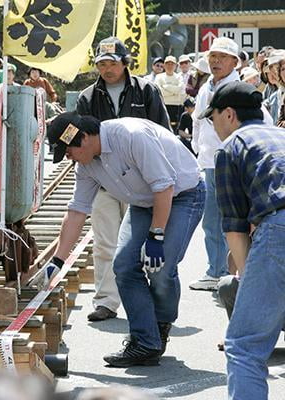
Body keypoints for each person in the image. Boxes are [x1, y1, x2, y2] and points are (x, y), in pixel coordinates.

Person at [43, 112, 203, 367]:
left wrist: (156, 235)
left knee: (160, 266)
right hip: (143, 203)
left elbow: (164, 187)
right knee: (125, 266)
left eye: (69, 151)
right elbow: (77, 211)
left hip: (182, 195)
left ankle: (159, 325)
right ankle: (145, 342)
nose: (69, 158)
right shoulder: (86, 166)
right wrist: (58, 261)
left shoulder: (130, 137)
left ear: (83, 139)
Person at [75, 36, 170, 323]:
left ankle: (147, 301)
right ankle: (106, 300)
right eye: (101, 64)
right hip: (105, 179)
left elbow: (163, 133)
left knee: (141, 244)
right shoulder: (87, 97)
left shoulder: (146, 91)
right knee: (104, 243)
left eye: (112, 63)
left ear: (124, 62)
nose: (107, 69)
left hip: (142, 183)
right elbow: (81, 141)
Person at [206, 80, 285, 400]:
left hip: (279, 226)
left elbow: (235, 229)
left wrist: (249, 279)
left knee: (244, 347)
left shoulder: (232, 146)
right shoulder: (281, 135)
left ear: (228, 114)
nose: (213, 127)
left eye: (212, 119)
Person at [189, 37, 241, 291]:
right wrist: (197, 147)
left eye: (222, 57)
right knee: (211, 219)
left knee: (230, 218)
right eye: (212, 56)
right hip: (209, 160)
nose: (216, 61)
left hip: (232, 161)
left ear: (235, 62)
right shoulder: (205, 87)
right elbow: (197, 122)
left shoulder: (238, 89)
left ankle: (225, 271)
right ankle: (217, 269)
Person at [155, 55, 186, 132]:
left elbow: (179, 89)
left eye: (172, 64)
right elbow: (159, 91)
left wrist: (165, 86)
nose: (170, 66)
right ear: (164, 65)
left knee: (174, 128)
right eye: (168, 64)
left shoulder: (179, 77)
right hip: (163, 105)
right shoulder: (159, 77)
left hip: (176, 106)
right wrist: (173, 91)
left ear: (176, 66)